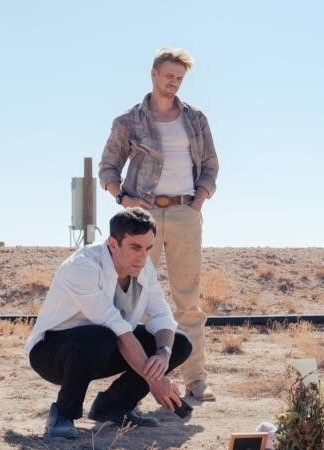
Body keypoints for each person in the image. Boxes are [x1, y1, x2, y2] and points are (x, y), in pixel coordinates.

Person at [99, 47, 219, 402]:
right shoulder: (128, 122)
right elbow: (108, 167)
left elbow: (211, 165)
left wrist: (199, 200)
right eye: (169, 76)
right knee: (131, 300)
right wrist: (123, 199)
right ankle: (132, 387)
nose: (174, 83)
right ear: (153, 74)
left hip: (185, 213)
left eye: (180, 78)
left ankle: (196, 379)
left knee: (188, 300)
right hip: (141, 218)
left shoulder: (195, 119)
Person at [25, 208, 192, 439]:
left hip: (107, 345)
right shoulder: (82, 267)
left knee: (179, 342)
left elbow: (162, 317)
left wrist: (162, 355)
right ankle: (63, 413)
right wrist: (155, 379)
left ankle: (113, 406)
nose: (142, 257)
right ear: (113, 243)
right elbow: (117, 329)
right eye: (135, 247)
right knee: (101, 336)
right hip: (52, 352)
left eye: (148, 248)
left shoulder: (144, 267)